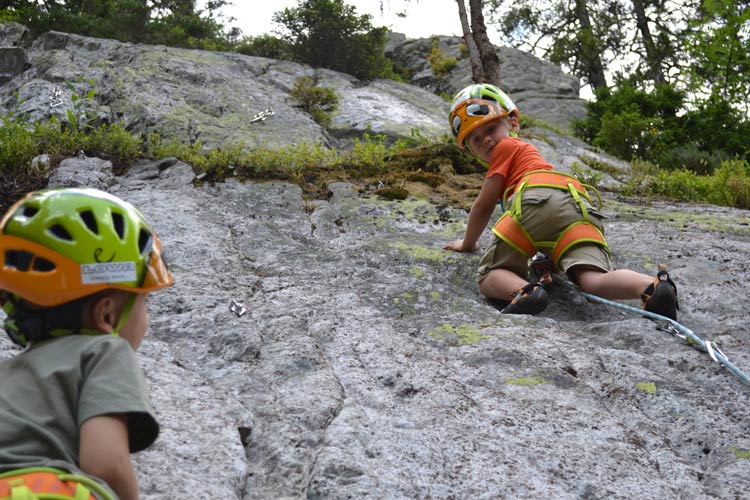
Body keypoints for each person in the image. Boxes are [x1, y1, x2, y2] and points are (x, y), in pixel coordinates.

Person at [443, 83, 678, 318]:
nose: (486, 140)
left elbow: (484, 206)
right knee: (592, 280)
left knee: (489, 274)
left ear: (512, 123)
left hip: (535, 200)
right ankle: (652, 287)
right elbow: (550, 219)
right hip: (577, 205)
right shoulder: (530, 156)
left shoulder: (507, 147)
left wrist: (468, 243)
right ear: (471, 150)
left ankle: (526, 291)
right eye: (475, 139)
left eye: (491, 128)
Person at [0, 187, 174, 500]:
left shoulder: (8, 373)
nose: (146, 317)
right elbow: (105, 464)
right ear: (106, 314)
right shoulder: (104, 350)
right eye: (144, 302)